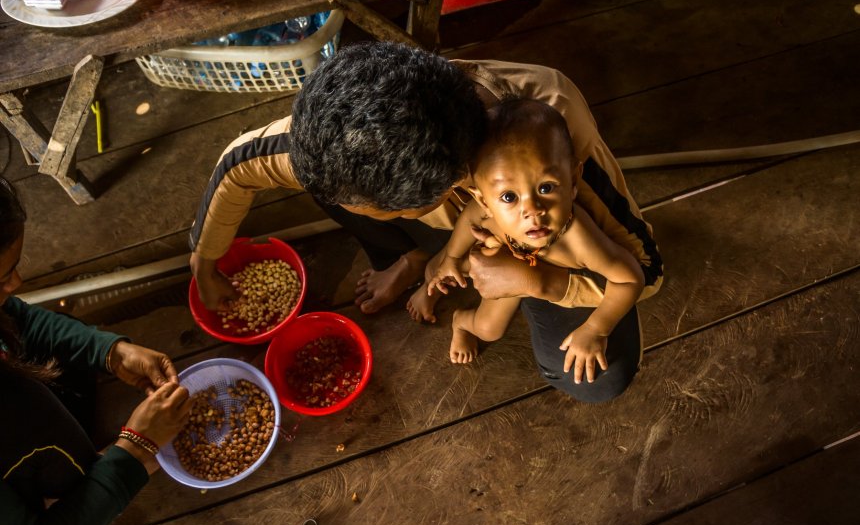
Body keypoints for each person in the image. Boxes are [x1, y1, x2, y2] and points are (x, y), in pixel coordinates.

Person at [189, 42, 662, 401]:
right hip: (469, 234)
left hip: (548, 254)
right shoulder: (335, 135)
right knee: (334, 187)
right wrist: (205, 265)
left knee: (597, 380)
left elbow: (647, 272)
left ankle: (426, 253)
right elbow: (236, 166)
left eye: (388, 214)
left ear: (459, 185)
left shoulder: (551, 139)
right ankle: (409, 257)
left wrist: (543, 282)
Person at [0, 178, 192, 525]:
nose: (18, 281)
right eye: (5, 275)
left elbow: (19, 321)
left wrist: (109, 351)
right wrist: (134, 449)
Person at [425, 98, 645, 387]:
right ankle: (461, 321)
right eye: (509, 197)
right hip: (502, 268)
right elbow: (470, 219)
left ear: (573, 178)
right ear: (484, 199)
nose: (532, 211)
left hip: (542, 278)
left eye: (546, 187)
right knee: (488, 329)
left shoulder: (578, 238)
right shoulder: (485, 211)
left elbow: (631, 280)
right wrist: (452, 258)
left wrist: (595, 329)